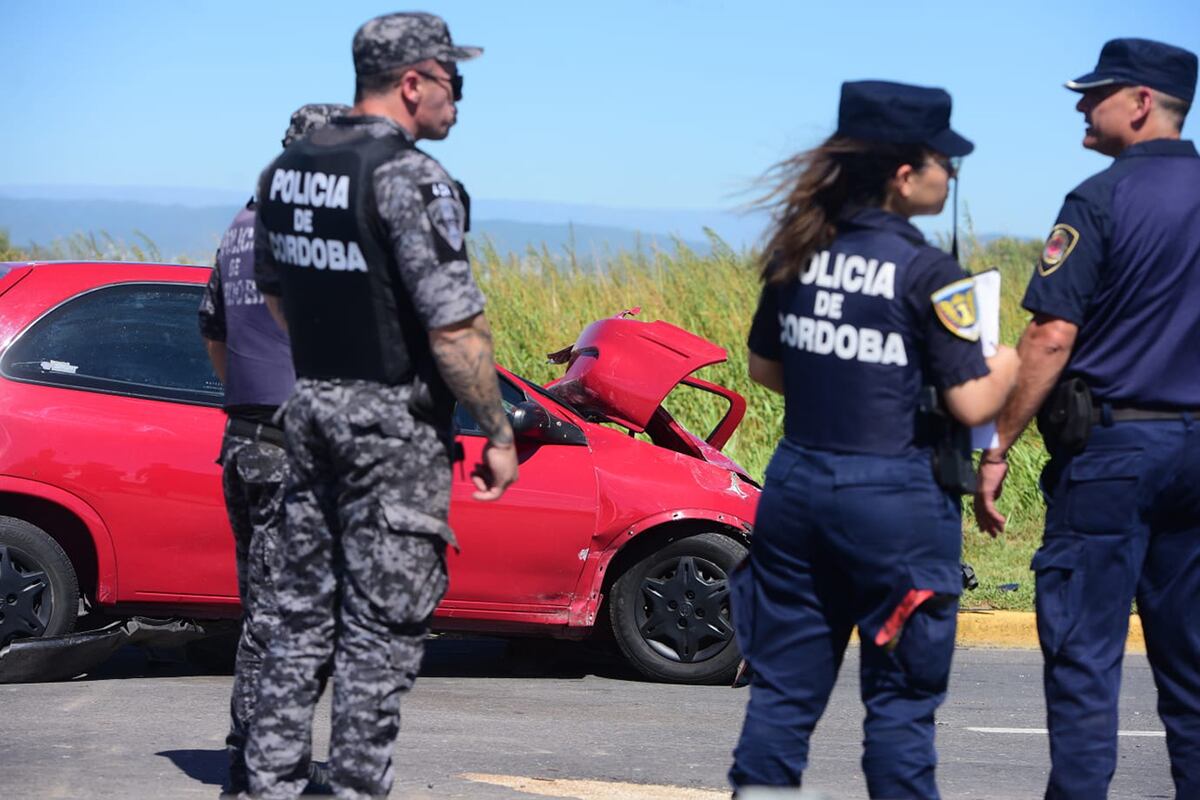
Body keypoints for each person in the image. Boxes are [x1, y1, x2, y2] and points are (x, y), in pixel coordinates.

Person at [242, 12, 517, 799]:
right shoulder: (410, 177)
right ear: (413, 82)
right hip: (392, 427)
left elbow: (275, 294)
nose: (458, 99)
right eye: (453, 81)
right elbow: (454, 330)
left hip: (311, 409)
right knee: (380, 630)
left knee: (299, 619)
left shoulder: (286, 170)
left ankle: (268, 784)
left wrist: (332, 362)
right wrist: (497, 431)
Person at [729, 80, 1019, 798]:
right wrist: (1012, 361)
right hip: (895, 500)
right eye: (946, 162)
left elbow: (765, 368)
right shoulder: (931, 273)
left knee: (781, 696)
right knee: (900, 708)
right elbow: (972, 399)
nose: (951, 175)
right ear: (905, 174)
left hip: (796, 489)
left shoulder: (798, 250)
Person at [974, 38, 1199, 799]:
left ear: (1141, 102)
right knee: (1193, 669)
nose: (1082, 106)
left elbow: (1050, 335)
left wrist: (998, 445)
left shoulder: (1100, 199)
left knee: (1084, 662)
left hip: (1111, 457)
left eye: (1096, 93)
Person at [199, 102, 348, 796]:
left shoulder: (241, 227)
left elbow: (214, 332)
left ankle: (256, 754)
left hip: (245, 441)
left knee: (266, 609)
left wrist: (252, 397)